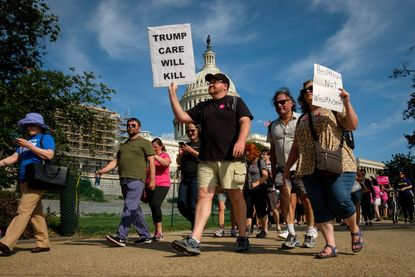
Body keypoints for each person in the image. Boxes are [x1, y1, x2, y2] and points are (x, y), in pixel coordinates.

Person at [168, 72, 253, 255]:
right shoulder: (203, 106)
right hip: (207, 158)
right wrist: (173, 94)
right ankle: (195, 239)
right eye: (210, 81)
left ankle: (243, 236)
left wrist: (240, 141)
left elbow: (245, 121)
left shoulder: (235, 102)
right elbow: (183, 117)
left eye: (216, 81)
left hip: (230, 157)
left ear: (225, 86)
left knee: (235, 195)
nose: (211, 83)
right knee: (204, 195)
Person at [284, 80, 362, 259]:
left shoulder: (334, 108)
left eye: (312, 88)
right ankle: (330, 245)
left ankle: (354, 228)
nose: (308, 91)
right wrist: (288, 167)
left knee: (340, 197)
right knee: (318, 206)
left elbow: (352, 125)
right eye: (305, 90)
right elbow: (296, 145)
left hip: (339, 162)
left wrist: (346, 102)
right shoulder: (302, 118)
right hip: (310, 167)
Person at [267, 87, 317, 249]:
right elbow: (273, 150)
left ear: (292, 103)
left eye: (283, 102)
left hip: (302, 166)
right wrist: (274, 171)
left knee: (307, 200)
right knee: (285, 199)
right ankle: (291, 234)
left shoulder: (302, 119)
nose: (280, 105)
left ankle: (310, 232)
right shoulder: (272, 126)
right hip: (282, 167)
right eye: (276, 103)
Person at [0, 113, 55, 256]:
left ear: (40, 126)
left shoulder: (45, 138)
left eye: (33, 124)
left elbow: (49, 155)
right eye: (28, 125)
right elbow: (13, 158)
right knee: (36, 214)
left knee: (23, 210)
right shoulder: (25, 142)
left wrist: (29, 146)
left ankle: (6, 242)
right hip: (25, 180)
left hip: (38, 180)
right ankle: (43, 243)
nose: (30, 127)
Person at [97, 118, 155, 247]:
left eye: (133, 125)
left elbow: (151, 162)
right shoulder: (123, 146)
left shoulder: (145, 143)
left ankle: (121, 236)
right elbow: (115, 161)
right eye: (128, 125)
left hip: (137, 179)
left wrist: (152, 180)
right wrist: (102, 170)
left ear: (139, 128)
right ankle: (145, 236)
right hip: (124, 179)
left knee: (129, 206)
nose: (130, 127)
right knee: (135, 209)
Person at [176, 123, 200, 229]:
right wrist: (181, 154)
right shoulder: (186, 145)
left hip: (196, 177)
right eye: (188, 131)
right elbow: (179, 162)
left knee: (193, 205)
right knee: (181, 205)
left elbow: (204, 157)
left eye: (192, 130)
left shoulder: (203, 143)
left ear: (198, 130)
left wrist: (191, 151)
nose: (190, 133)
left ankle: (195, 230)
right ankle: (197, 224)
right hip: (185, 178)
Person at [244, 143, 269, 238]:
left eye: (246, 151)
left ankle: (264, 229)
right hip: (248, 189)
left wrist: (256, 183)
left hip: (260, 188)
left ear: (251, 151)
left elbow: (265, 175)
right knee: (248, 209)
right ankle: (248, 229)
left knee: (261, 210)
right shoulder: (246, 162)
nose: (245, 153)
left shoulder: (260, 161)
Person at [148, 138, 171, 240]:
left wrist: (155, 156)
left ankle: (160, 232)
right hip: (150, 183)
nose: (153, 149)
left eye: (155, 147)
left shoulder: (165, 155)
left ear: (161, 147)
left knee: (156, 204)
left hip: (162, 184)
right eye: (152, 147)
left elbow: (166, 163)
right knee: (153, 207)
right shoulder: (150, 158)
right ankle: (156, 231)